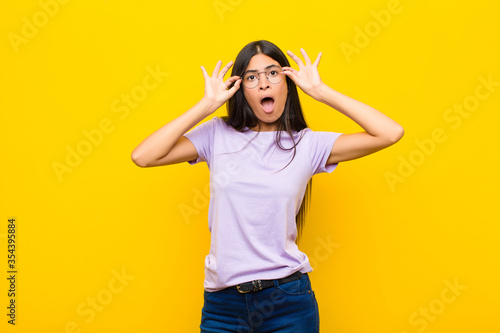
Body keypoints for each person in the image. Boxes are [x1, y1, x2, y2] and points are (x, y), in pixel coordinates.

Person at [131, 40, 404, 332]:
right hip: (223, 305)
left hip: (288, 302)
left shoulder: (309, 144)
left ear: (288, 84)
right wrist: (206, 106)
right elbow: (144, 156)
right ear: (241, 90)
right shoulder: (216, 134)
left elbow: (390, 133)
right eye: (252, 77)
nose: (263, 84)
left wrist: (322, 92)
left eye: (273, 73)